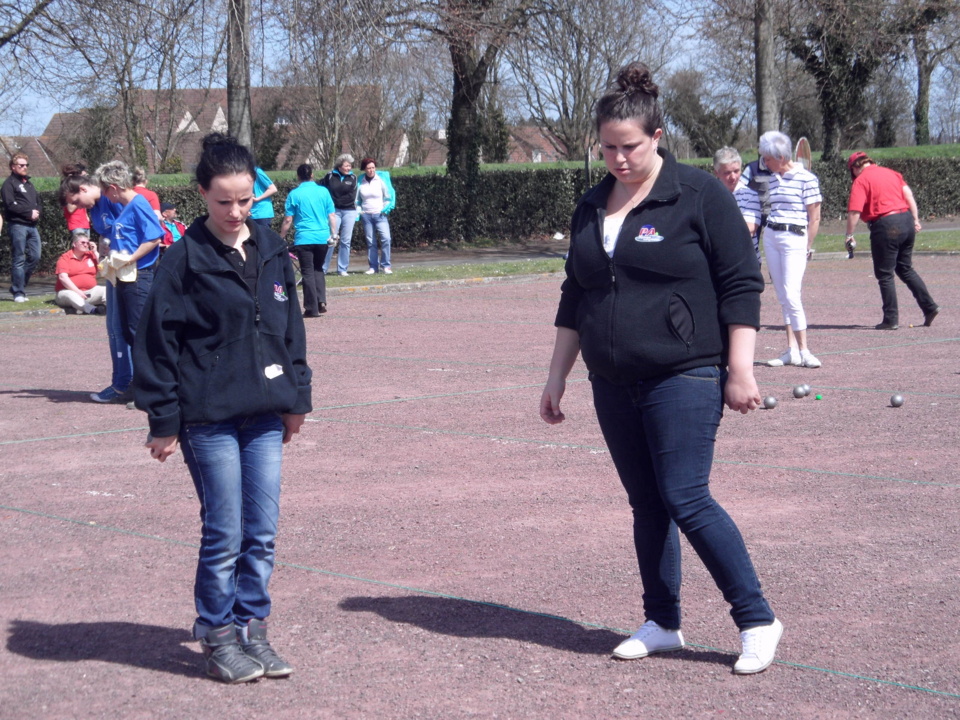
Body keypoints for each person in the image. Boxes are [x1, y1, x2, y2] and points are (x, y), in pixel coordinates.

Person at [540, 62, 782, 675]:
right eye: (607, 149)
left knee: (686, 496)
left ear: (658, 135)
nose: (618, 160)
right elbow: (577, 292)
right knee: (646, 503)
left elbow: (741, 285)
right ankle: (662, 620)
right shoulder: (592, 205)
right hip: (611, 378)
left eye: (630, 147)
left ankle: (756, 618)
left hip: (686, 372)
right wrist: (556, 375)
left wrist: (741, 369)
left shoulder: (700, 195)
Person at [134, 132, 312, 684]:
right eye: (223, 201)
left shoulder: (271, 248)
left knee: (262, 531)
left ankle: (252, 627)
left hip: (264, 413)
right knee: (225, 533)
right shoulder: (182, 260)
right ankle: (216, 633)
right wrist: (163, 422)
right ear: (202, 195)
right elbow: (157, 344)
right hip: (207, 418)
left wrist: (297, 397)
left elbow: (291, 329)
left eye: (245, 200)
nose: (236, 212)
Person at [845, 151, 939, 330]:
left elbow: (854, 211)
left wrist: (849, 234)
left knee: (885, 273)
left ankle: (891, 319)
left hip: (886, 224)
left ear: (855, 168)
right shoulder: (892, 173)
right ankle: (929, 307)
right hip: (906, 220)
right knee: (905, 268)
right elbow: (908, 195)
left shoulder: (861, 180)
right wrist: (915, 219)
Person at [60, 172, 129, 403]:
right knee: (113, 328)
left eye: (77, 201)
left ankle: (130, 384)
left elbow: (134, 231)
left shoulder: (113, 198)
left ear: (83, 189)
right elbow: (107, 236)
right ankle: (121, 382)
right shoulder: (96, 207)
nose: (78, 207)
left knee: (126, 329)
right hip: (113, 269)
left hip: (130, 270)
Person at [757, 131, 822, 368]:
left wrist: (807, 246)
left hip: (795, 236)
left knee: (792, 294)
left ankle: (805, 350)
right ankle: (791, 350)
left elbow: (814, 217)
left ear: (782, 156)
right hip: (772, 235)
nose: (764, 163)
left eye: (768, 159)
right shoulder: (771, 178)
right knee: (783, 295)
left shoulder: (807, 179)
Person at [96, 161, 164, 376]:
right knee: (129, 330)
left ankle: (151, 386)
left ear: (113, 188)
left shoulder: (138, 203)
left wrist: (130, 259)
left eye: (105, 190)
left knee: (138, 332)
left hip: (138, 275)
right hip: (127, 276)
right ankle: (140, 384)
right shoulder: (128, 206)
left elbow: (154, 237)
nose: (104, 196)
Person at [280, 163, 336, 317]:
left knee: (307, 272)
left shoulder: (294, 194)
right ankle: (321, 300)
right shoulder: (323, 191)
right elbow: (332, 215)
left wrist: (281, 237)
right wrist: (334, 234)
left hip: (304, 238)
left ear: (298, 177)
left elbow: (288, 220)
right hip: (322, 237)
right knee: (318, 269)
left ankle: (311, 308)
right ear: (312, 174)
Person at [2, 153, 42, 303]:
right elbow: (10, 205)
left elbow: (38, 202)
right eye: (21, 165)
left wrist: (37, 212)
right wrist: (28, 213)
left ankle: (17, 285)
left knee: (35, 256)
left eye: (26, 165)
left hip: (32, 226)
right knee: (19, 258)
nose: (25, 168)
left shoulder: (28, 184)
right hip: (18, 225)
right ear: (13, 167)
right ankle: (19, 291)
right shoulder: (9, 184)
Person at [714, 147, 762, 266]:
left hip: (747, 260)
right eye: (727, 173)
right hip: (717, 261)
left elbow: (749, 229)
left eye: (736, 171)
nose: (733, 177)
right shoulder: (709, 196)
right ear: (717, 173)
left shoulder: (751, 195)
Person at [319, 154, 358, 275]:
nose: (348, 168)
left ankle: (342, 269)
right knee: (331, 239)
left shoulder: (353, 177)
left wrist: (339, 199)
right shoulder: (330, 176)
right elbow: (322, 189)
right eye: (346, 165)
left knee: (346, 241)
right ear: (340, 166)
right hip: (334, 211)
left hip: (349, 211)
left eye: (350, 166)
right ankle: (323, 268)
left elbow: (352, 195)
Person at [357, 158, 395, 274]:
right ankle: (373, 266)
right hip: (366, 215)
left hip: (380, 215)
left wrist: (385, 209)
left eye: (373, 168)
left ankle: (386, 265)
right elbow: (357, 199)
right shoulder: (360, 181)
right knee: (370, 241)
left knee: (386, 238)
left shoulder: (380, 180)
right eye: (368, 168)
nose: (371, 170)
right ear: (364, 169)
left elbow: (388, 196)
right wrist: (359, 210)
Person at [54, 231, 106, 314]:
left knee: (106, 290)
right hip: (67, 292)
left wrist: (96, 252)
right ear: (74, 244)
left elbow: (104, 270)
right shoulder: (65, 258)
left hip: (89, 291)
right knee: (71, 295)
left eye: (87, 243)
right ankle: (93, 310)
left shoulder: (91, 255)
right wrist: (77, 291)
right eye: (82, 242)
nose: (85, 245)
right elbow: (63, 277)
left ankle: (111, 309)